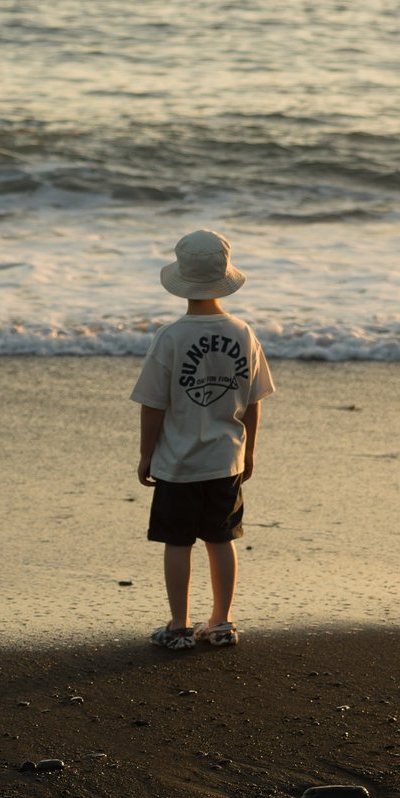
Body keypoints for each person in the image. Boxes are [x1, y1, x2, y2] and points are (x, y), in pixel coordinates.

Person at [131, 229, 275, 650]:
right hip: (224, 459)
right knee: (221, 538)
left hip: (178, 462)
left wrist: (146, 454)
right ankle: (222, 621)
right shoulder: (242, 332)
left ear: (182, 280)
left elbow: (153, 404)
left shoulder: (171, 336)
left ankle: (179, 625)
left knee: (178, 542)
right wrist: (249, 452)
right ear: (223, 277)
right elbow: (253, 401)